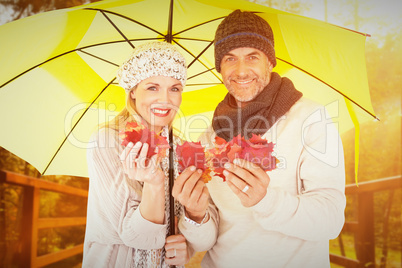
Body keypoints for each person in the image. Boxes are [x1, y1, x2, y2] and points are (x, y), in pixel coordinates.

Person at [173, 10, 346, 267]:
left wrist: (266, 201)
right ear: (219, 67)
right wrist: (196, 215)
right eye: (230, 58)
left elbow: (330, 221)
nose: (241, 71)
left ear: (270, 61)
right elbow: (205, 242)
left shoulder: (311, 118)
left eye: (252, 56)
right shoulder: (209, 136)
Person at [83, 42, 192, 267]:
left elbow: (187, 221)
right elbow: (137, 238)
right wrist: (154, 183)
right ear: (132, 90)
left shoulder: (180, 148)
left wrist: (186, 247)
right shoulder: (107, 140)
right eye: (153, 87)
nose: (165, 99)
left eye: (175, 88)